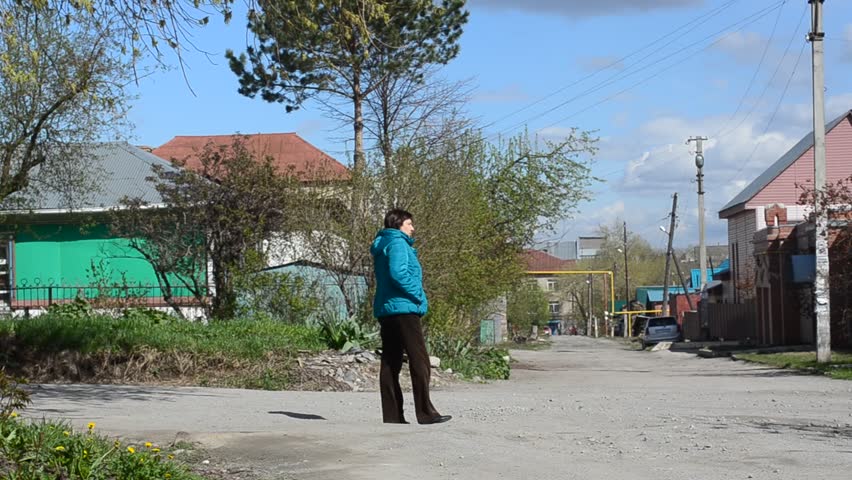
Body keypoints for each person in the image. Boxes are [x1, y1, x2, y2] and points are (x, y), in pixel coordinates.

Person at [370, 209, 451, 425]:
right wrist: (418, 294)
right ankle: (426, 413)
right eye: (409, 224)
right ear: (398, 225)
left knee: (390, 362)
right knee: (420, 360)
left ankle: (393, 416)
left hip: (387, 310)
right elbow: (398, 273)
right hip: (404, 308)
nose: (412, 228)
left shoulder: (382, 244)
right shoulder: (398, 243)